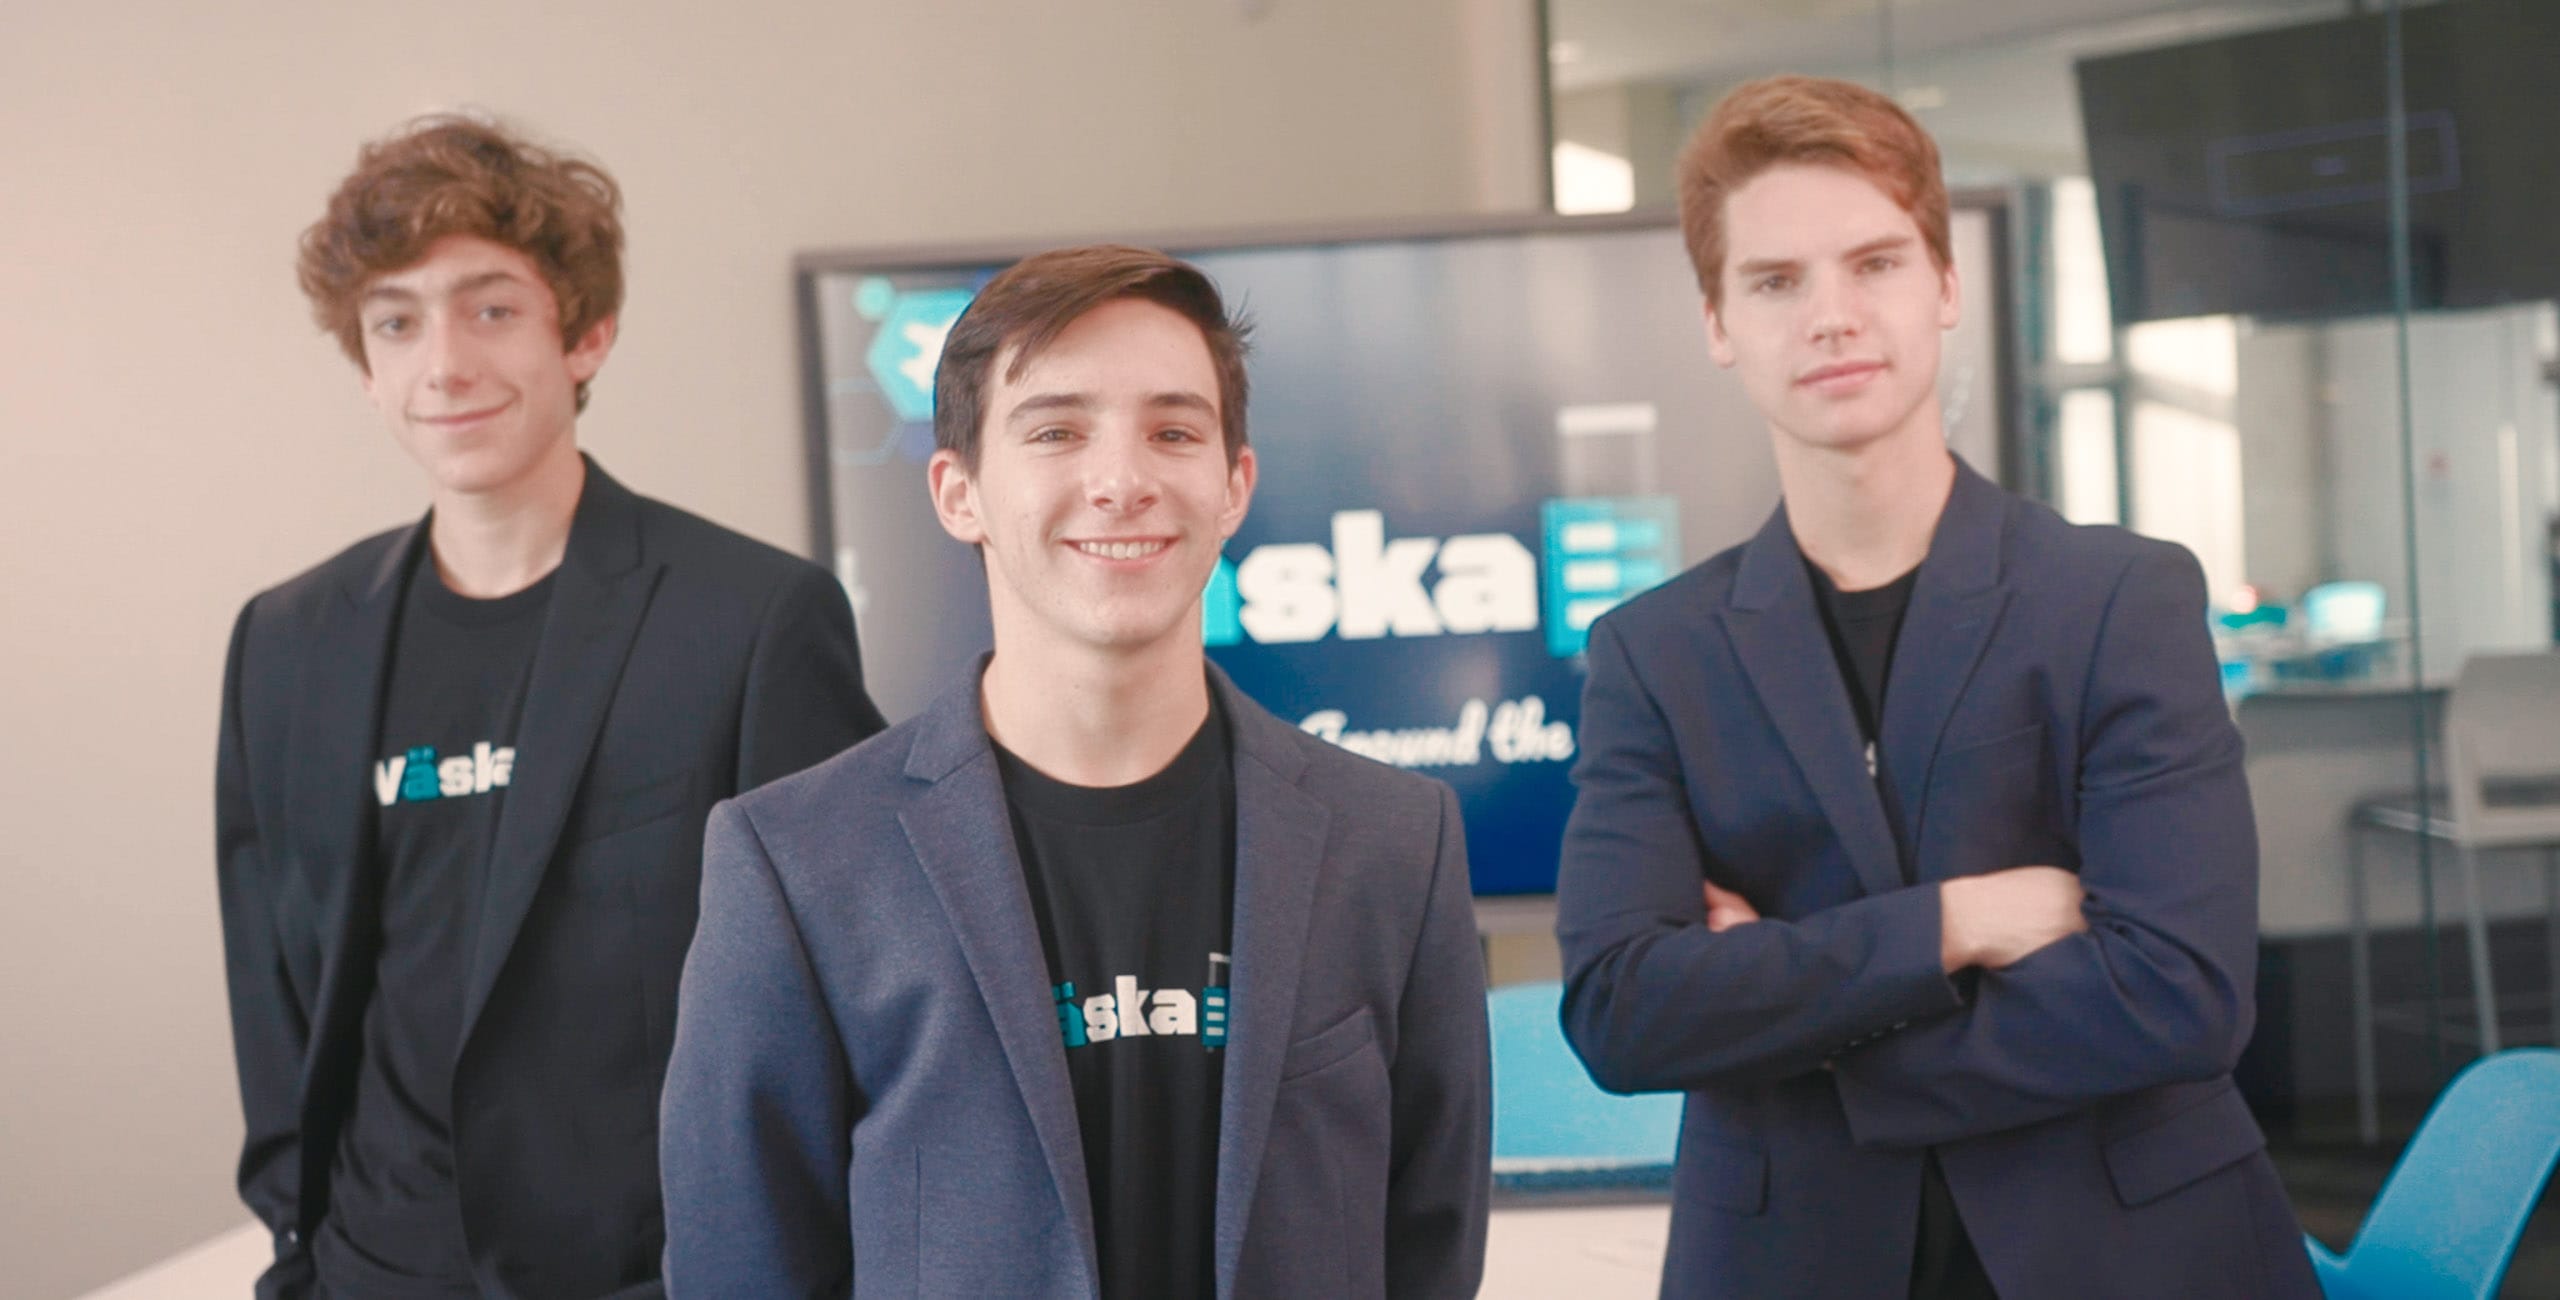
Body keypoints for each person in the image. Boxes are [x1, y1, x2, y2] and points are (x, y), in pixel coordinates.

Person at [1553, 76, 2320, 1299]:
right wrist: (1958, 921)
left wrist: (1801, 1027)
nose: (1831, 316)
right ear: (1716, 319)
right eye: (1775, 281)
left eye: (1875, 263)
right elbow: (1622, 1011)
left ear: (1946, 286)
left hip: (2129, 1251)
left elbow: (2181, 993)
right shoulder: (1656, 651)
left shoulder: (2119, 598)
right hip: (1793, 1256)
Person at [659, 244, 1490, 1298]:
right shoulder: (795, 863)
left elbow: (1431, 1249)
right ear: (958, 492)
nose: (1122, 480)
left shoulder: (1395, 842)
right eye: (1055, 430)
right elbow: (743, 1270)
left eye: (1173, 431)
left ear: (1234, 486)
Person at [215, 114, 887, 1299]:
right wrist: (300, 1241)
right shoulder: (288, 640)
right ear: (366, 366)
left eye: (490, 309)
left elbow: (853, 988)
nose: (445, 365)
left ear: (585, 334)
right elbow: (274, 982)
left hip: (653, 1275)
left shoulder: (751, 620)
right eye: (396, 321)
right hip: (372, 1269)